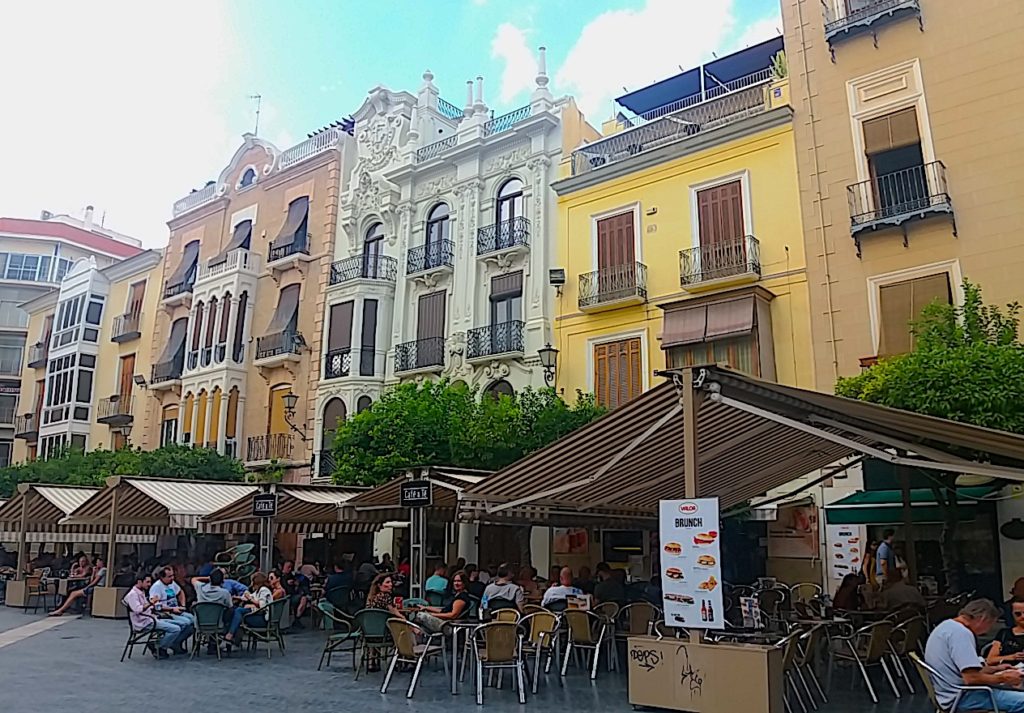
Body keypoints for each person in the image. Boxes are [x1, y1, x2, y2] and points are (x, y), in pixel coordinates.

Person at [925, 599, 1024, 712]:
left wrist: (995, 669)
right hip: (961, 697)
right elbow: (971, 678)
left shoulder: (946, 626)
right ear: (983, 619)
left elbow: (964, 669)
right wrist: (1003, 677)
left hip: (946, 694)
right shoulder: (961, 634)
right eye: (991, 624)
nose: (988, 630)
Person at [123, 572, 191, 659]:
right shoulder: (132, 594)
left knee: (183, 623)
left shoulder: (142, 592)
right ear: (139, 582)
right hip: (144, 622)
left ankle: (171, 644)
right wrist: (151, 603)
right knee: (175, 629)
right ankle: (158, 646)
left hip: (152, 618)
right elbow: (138, 609)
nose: (149, 584)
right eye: (147, 582)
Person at [191, 569, 240, 653]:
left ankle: (212, 643)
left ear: (210, 579)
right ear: (222, 581)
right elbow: (230, 607)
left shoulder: (200, 588)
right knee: (233, 613)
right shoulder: (225, 593)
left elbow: (193, 579)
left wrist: (207, 578)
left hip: (200, 623)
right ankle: (228, 638)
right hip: (218, 623)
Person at [987, 599, 1024, 666]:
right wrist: (1012, 657)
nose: (1023, 616)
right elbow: (990, 660)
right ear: (1012, 614)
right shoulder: (1004, 633)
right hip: (1006, 672)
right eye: (1018, 614)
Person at [281, 560, 310, 629]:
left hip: (292, 595)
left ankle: (297, 618)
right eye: (288, 567)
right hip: (285, 597)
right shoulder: (279, 576)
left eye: (291, 567)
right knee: (303, 598)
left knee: (304, 598)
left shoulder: (292, 576)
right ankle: (297, 619)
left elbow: (301, 580)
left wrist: (295, 583)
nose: (289, 569)